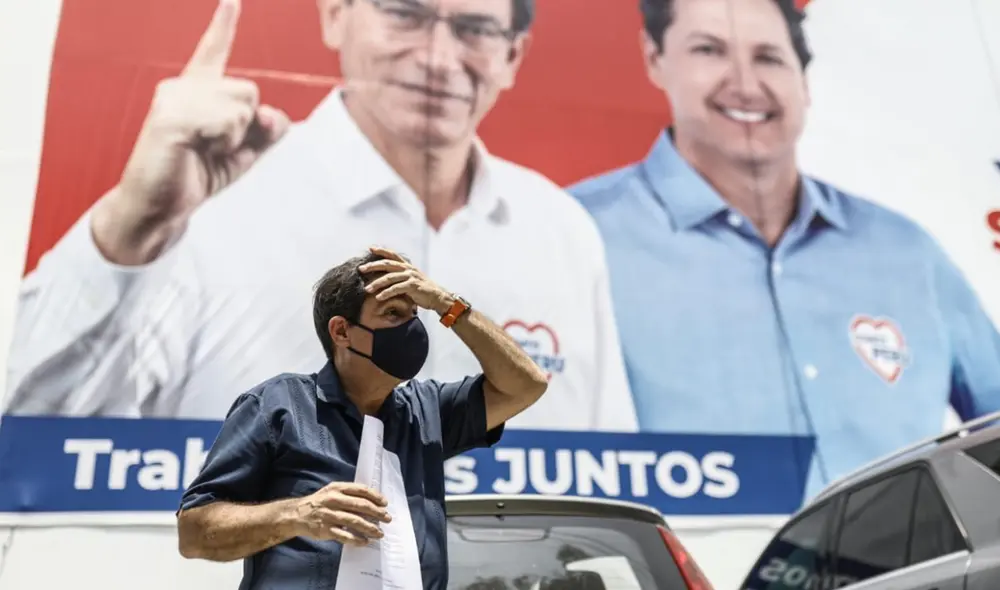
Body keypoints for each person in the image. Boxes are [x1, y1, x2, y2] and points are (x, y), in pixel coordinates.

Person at [4, 0, 635, 431]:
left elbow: (615, 467)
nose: (440, 58)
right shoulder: (212, 201)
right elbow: (30, 432)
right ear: (335, 15)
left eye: (474, 27)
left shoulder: (561, 229)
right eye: (404, 13)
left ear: (513, 56)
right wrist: (133, 229)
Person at [568, 0, 1000, 496]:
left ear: (804, 80)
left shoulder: (905, 253)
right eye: (709, 50)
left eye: (769, 57)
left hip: (909, 571)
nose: (746, 85)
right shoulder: (577, 236)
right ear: (654, 59)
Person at [176, 246, 549, 589]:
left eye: (415, 315)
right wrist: (297, 514)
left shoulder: (428, 410)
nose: (412, 329)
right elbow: (194, 534)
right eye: (393, 314)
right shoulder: (277, 405)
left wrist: (448, 305)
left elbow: (525, 385)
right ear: (341, 331)